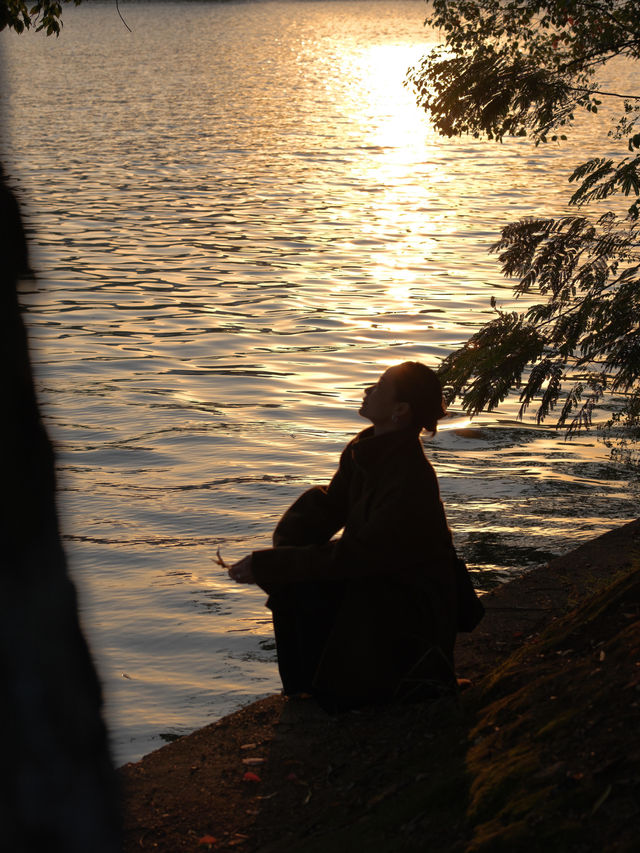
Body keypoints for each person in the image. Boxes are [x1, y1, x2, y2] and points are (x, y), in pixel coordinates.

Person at [228, 362, 458, 711]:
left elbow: (359, 555)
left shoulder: (409, 478)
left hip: (408, 606)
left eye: (379, 387)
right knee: (292, 583)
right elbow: (331, 506)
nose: (368, 391)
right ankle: (308, 691)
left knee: (300, 581)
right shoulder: (367, 451)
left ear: (400, 410)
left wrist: (274, 564)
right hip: (376, 579)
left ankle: (362, 689)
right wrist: (285, 548)